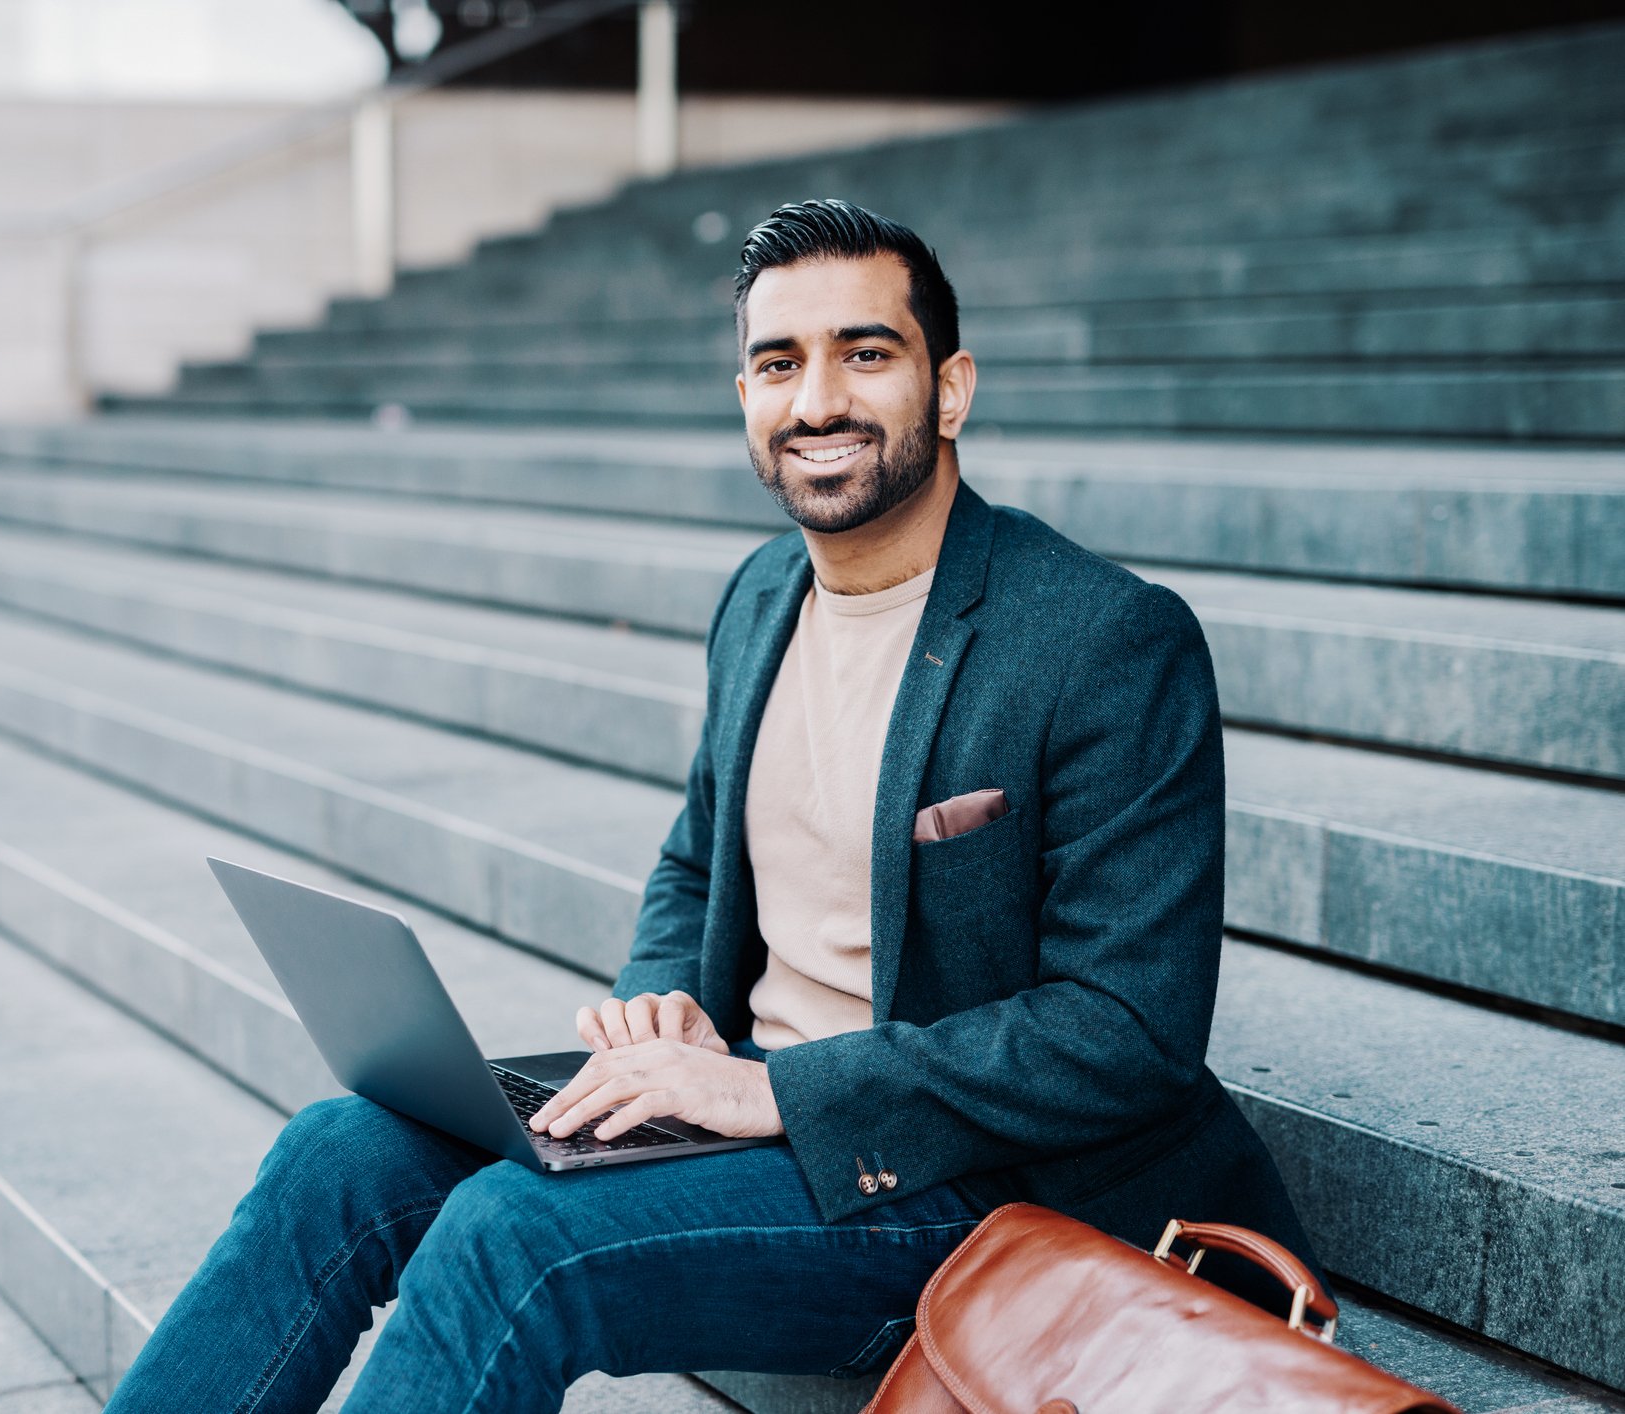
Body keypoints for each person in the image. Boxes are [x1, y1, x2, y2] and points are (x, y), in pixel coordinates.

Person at [104, 198, 1319, 1413]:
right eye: (778, 364)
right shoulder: (760, 597)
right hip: (747, 1108)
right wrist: (662, 1016)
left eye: (866, 354)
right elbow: (697, 858)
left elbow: (1127, 1034)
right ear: (744, 398)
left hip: (977, 1188)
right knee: (337, 1154)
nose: (818, 401)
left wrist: (772, 1092)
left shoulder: (1103, 639)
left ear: (948, 390)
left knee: (506, 1232)